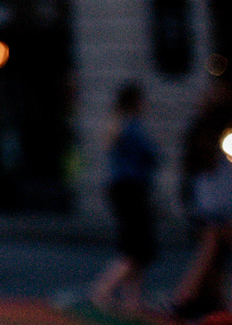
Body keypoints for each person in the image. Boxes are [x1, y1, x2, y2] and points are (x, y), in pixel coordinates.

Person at [169, 83, 232, 323]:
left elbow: (189, 174)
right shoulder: (229, 135)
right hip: (225, 204)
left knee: (209, 252)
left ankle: (185, 300)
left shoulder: (198, 133)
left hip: (206, 203)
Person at [91, 81, 160, 316]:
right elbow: (151, 154)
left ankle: (133, 300)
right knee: (138, 246)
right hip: (132, 189)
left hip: (123, 189)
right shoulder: (132, 127)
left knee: (135, 245)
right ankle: (103, 289)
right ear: (135, 102)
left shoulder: (118, 125)